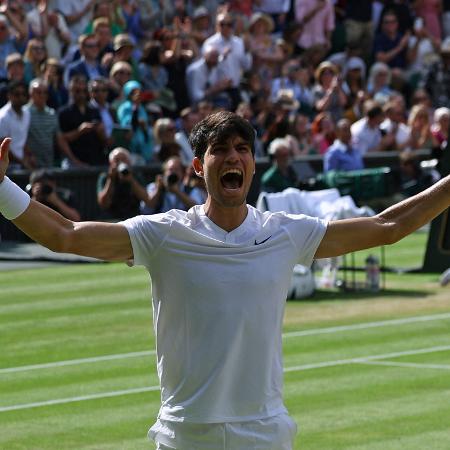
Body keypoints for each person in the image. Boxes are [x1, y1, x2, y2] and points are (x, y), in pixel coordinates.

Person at [1, 111, 450, 449]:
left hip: (265, 432)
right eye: (220, 149)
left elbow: (388, 226)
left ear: (253, 164)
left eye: (242, 149)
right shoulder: (163, 234)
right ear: (199, 166)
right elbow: (64, 235)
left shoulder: (286, 231)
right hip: (185, 433)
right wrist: (3, 188)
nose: (232, 157)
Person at [97, 147, 151, 220]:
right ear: (111, 163)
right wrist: (111, 180)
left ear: (129, 162)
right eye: (117, 160)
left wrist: (131, 180)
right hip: (111, 218)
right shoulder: (105, 177)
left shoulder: (136, 176)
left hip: (133, 218)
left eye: (123, 159)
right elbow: (103, 204)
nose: (120, 163)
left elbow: (147, 199)